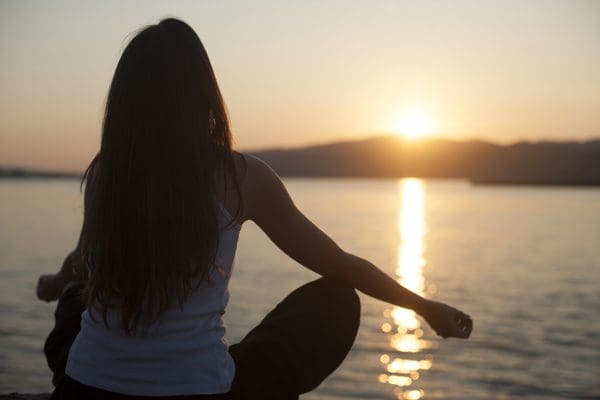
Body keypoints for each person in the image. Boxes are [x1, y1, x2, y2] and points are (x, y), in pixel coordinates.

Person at [36, 17, 472, 400]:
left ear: (125, 103)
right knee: (337, 299)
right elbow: (341, 266)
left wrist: (55, 283)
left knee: (75, 298)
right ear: (202, 95)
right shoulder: (241, 177)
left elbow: (82, 264)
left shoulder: (105, 172)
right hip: (199, 392)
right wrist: (424, 307)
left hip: (85, 389)